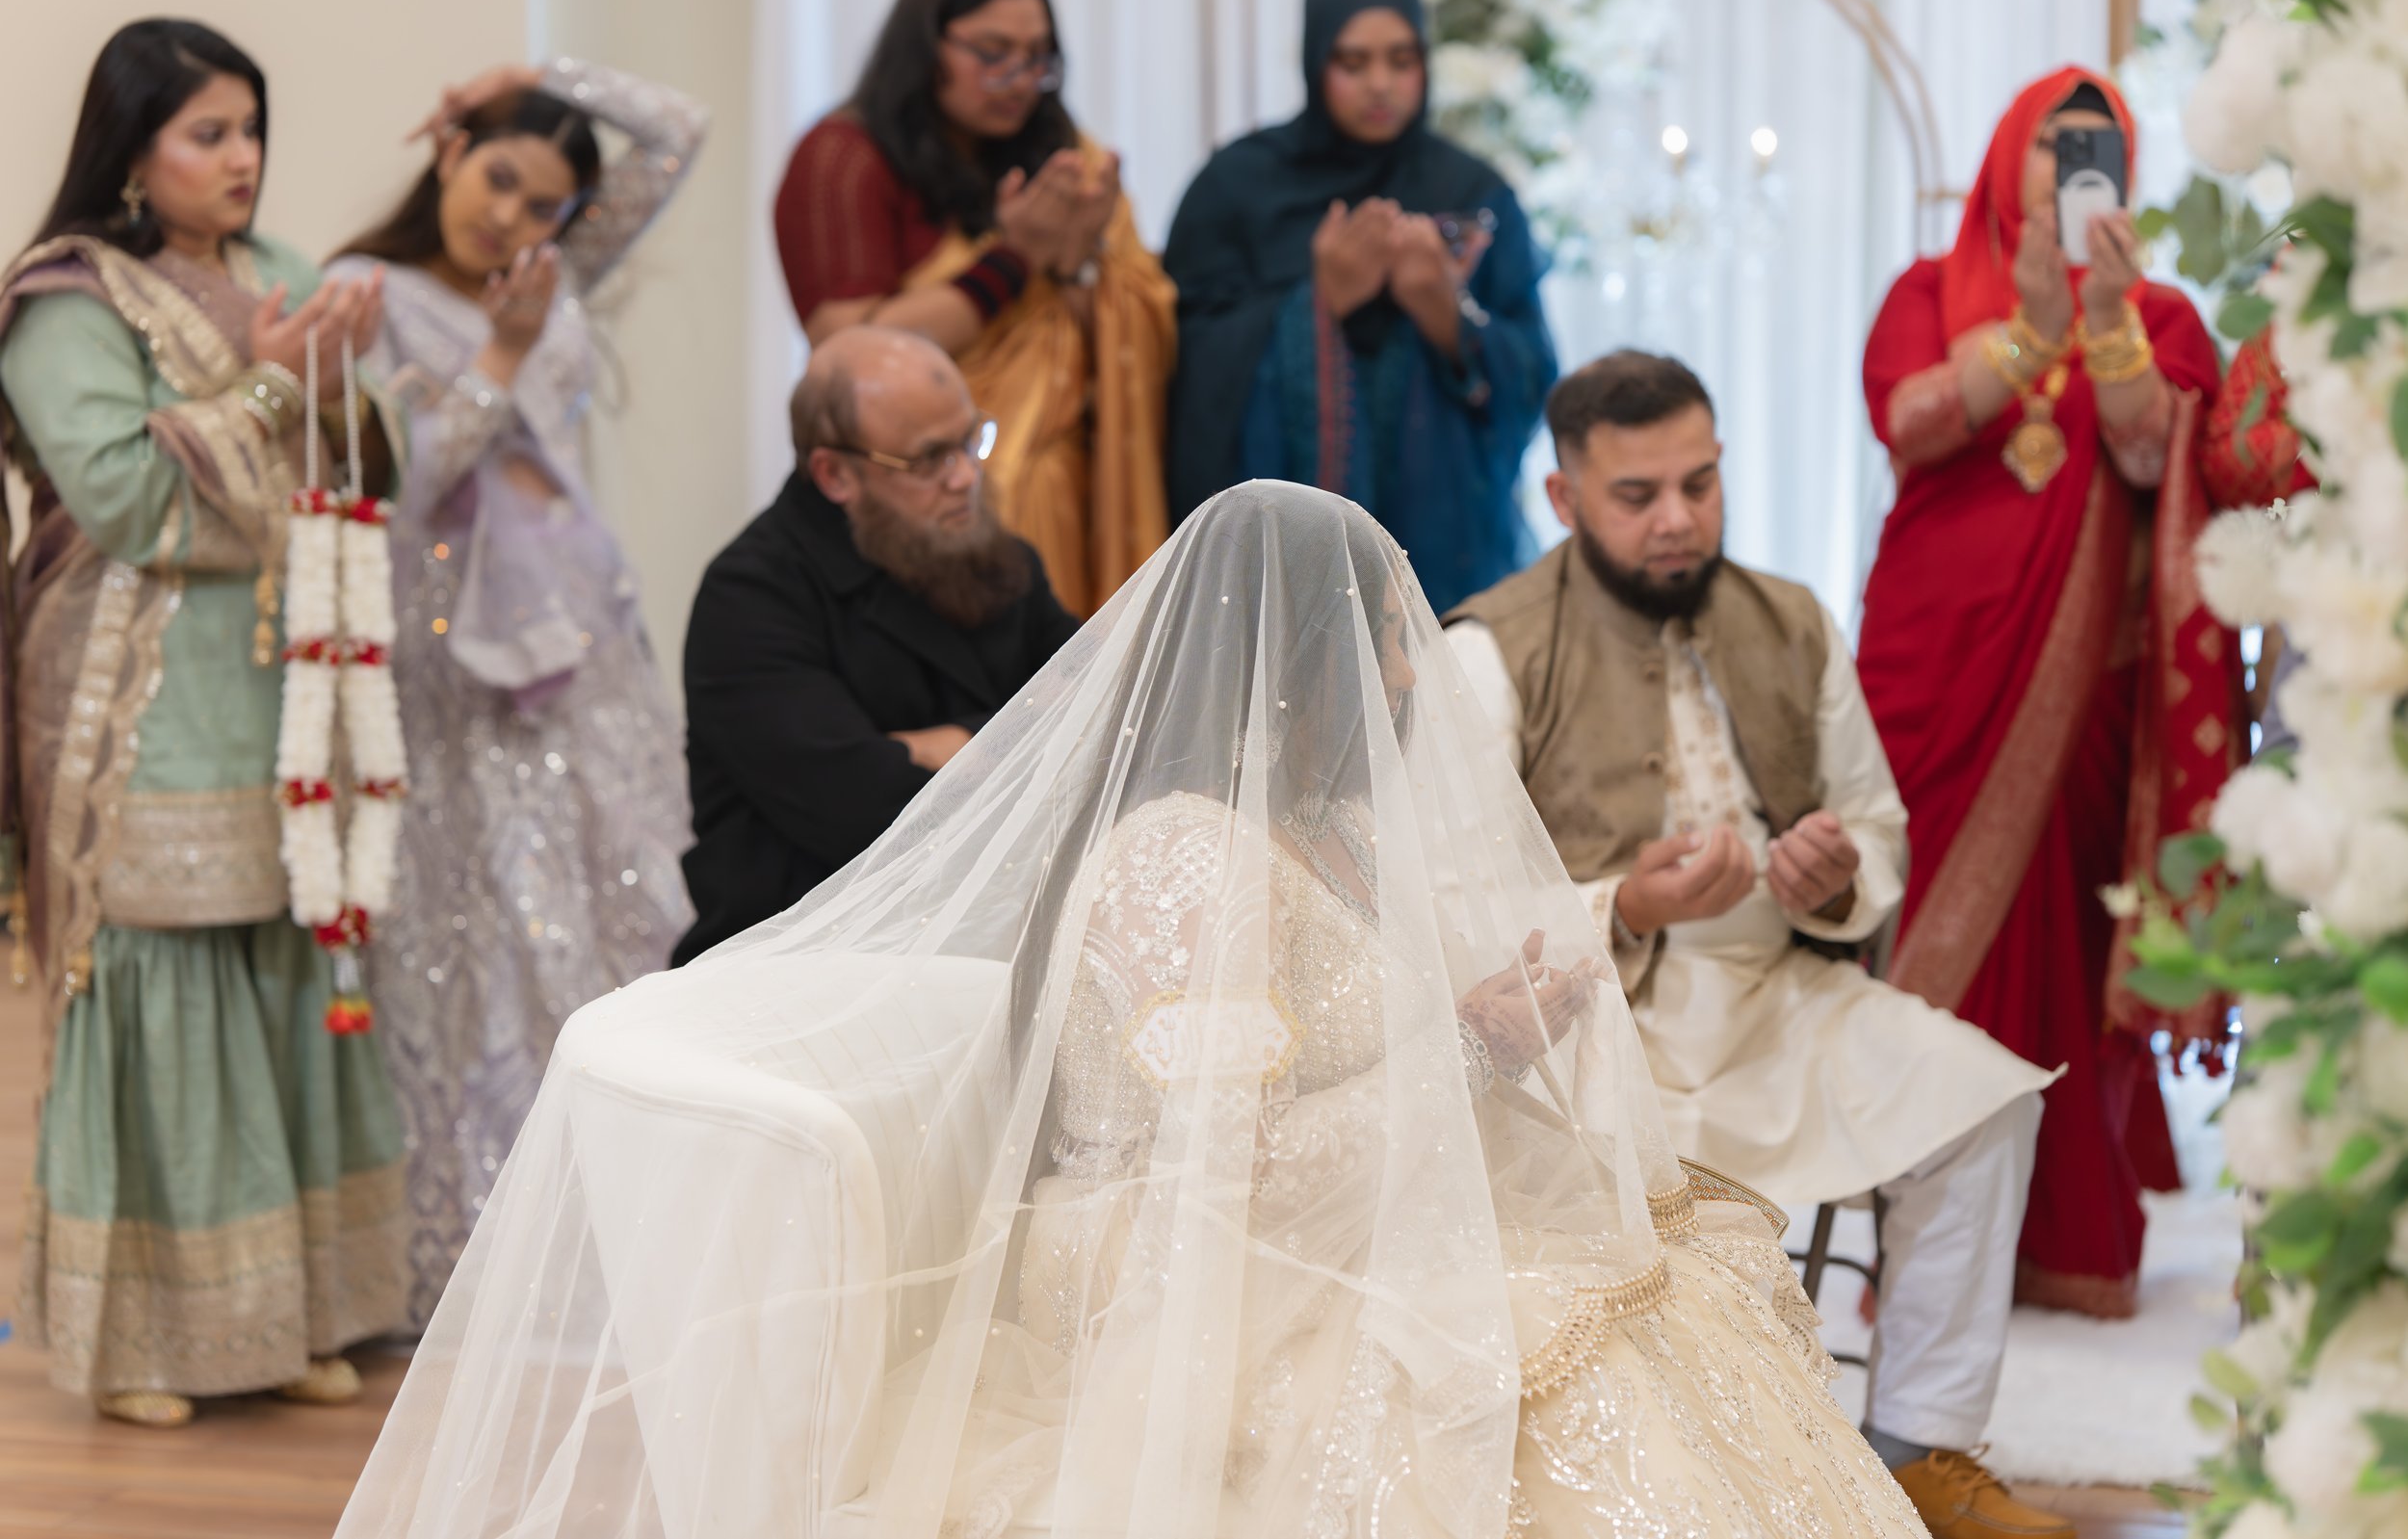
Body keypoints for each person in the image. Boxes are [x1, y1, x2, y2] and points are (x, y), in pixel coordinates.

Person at [338, 481, 1925, 1538]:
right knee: (1566, 1374)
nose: (1413, 670)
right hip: (1193, 1264)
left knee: (1671, 1295)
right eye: (1389, 636)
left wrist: (1480, 1020)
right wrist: (1470, 1048)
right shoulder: (1183, 857)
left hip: (1313, 1219)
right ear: (1311, 659)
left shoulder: (1329, 825)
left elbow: (1343, 1047)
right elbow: (1221, 1164)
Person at [1446, 350, 2065, 1539]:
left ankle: (1918, 1453)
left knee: (1986, 1103)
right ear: (1563, 498)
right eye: (1637, 496)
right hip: (1594, 1025)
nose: (1677, 520)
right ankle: (1713, 1484)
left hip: (1781, 988)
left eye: (1700, 483)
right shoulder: (1491, 649)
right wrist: (1624, 907)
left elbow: (1873, 826)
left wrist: (1835, 881)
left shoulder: (1791, 619)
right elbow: (1449, 899)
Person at [0, 19, 407, 1426]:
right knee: (167, 966)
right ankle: (147, 1342)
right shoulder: (67, 305)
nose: (243, 159)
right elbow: (122, 498)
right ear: (132, 151)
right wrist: (283, 384)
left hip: (281, 676)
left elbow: (358, 466)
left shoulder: (277, 269)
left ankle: (285, 1317)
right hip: (139, 685)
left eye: (253, 130)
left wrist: (336, 386)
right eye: (209, 134)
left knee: (284, 958)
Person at [325, 57, 705, 1330]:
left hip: (587, 640)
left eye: (544, 204)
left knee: (626, 906)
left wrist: (540, 76)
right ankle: (497, 1256)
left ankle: (637, 1231)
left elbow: (676, 133)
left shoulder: (549, 275)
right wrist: (499, 351)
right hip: (459, 661)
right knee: (491, 936)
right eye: (495, 177)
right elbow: (400, 483)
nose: (510, 219)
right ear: (446, 153)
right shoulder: (365, 295)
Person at [1857, 68, 2238, 1319]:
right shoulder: (1926, 292)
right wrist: (2027, 327)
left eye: (2099, 145)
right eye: (2050, 144)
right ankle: (1917, 1253)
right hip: (1931, 660)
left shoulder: (2161, 312)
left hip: (2080, 691)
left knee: (2071, 936)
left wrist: (2106, 315)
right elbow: (1911, 422)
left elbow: (2152, 449)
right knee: (1924, 932)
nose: (2069, 167)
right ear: (2003, 157)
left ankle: (2066, 1239)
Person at [772, 0, 1174, 618]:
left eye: (1038, 58)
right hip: (917, 499)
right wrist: (1014, 259)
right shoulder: (844, 159)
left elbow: (1126, 333)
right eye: (992, 53)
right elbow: (848, 352)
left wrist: (1079, 263)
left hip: (1065, 494)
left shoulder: (1064, 159)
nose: (1018, 78)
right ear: (926, 45)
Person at [1162, 0, 1556, 614]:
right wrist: (1316, 305)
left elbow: (1532, 382)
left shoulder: (1473, 193)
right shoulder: (1237, 189)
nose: (1381, 84)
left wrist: (1442, 309)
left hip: (1445, 559)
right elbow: (1186, 379)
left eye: (1402, 60)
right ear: (1316, 62)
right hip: (1277, 575)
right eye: (1353, 63)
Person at [673, 326, 1079, 963]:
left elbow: (1103, 697)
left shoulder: (997, 558)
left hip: (984, 933)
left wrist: (945, 745)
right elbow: (867, 812)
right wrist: (1026, 730)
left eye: (971, 439)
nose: (966, 476)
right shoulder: (749, 596)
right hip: (800, 959)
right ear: (835, 474)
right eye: (930, 459)